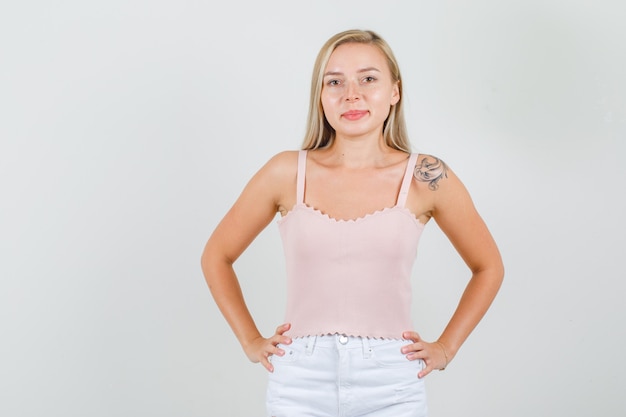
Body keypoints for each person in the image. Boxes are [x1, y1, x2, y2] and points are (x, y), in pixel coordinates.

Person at [201, 29, 504, 417]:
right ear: (321, 95)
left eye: (368, 79)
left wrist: (446, 347)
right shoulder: (285, 172)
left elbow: (488, 267)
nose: (352, 94)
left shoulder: (427, 175)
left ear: (394, 91)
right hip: (300, 382)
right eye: (335, 82)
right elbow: (217, 256)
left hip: (391, 381)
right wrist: (249, 340)